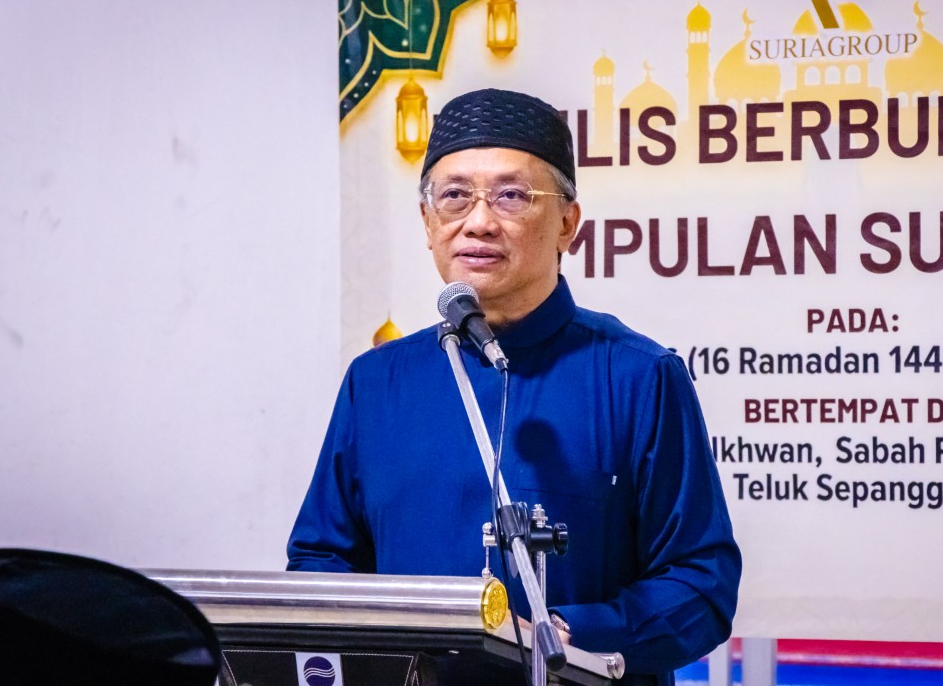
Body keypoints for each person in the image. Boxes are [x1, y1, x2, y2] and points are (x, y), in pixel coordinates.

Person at [287, 88, 741, 685]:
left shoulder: (638, 376)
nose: (478, 222)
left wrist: (566, 636)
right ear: (427, 223)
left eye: (511, 196)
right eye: (454, 196)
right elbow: (321, 559)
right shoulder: (376, 382)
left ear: (567, 224)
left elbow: (700, 585)